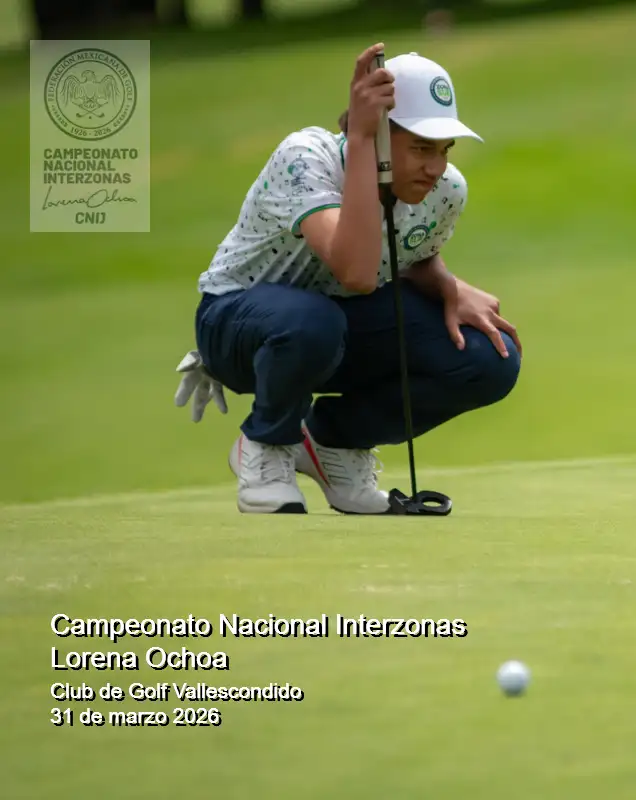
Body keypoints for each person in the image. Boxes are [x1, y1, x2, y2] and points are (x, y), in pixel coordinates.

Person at [172, 45, 521, 515]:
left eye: (444, 150)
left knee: (489, 358)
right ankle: (267, 443)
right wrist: (360, 141)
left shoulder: (446, 190)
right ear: (379, 137)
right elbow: (355, 272)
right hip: (238, 325)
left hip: (333, 327)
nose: (435, 167)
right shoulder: (304, 158)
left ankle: (331, 443)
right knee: (313, 321)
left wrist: (448, 287)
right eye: (421, 148)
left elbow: (409, 256)